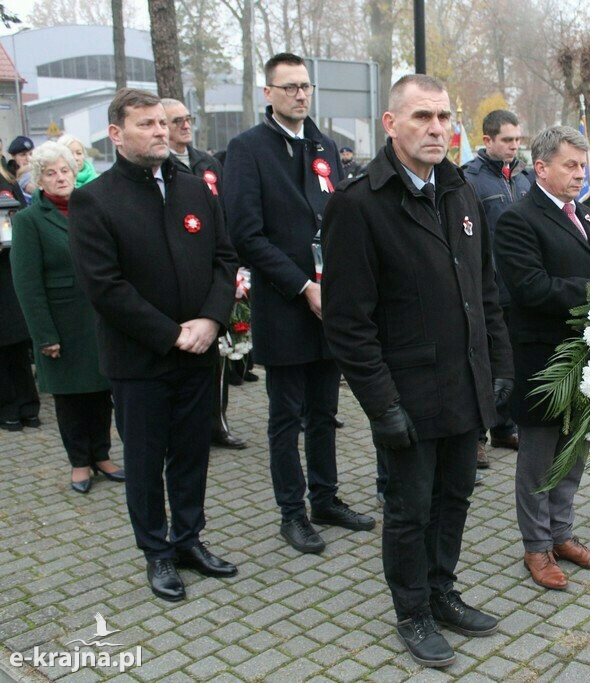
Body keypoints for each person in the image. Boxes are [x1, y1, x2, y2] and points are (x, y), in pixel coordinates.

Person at [322, 74, 513, 669]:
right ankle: (412, 611)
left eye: (443, 118)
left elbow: (485, 292)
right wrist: (381, 406)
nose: (435, 129)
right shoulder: (358, 205)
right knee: (410, 508)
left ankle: (441, 589)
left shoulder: (458, 191)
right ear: (391, 124)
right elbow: (348, 323)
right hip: (407, 394)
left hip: (464, 388)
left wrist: (500, 367)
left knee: (456, 495)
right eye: (421, 117)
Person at [68, 88, 239, 601]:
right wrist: (171, 334)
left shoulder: (196, 191)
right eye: (146, 124)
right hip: (139, 360)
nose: (161, 131)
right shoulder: (94, 199)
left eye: (163, 123)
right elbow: (105, 287)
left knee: (191, 453)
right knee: (144, 461)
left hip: (199, 354)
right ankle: (157, 552)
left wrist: (210, 320)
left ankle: (188, 539)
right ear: (117, 134)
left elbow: (224, 259)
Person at [225, 52, 375, 555]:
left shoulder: (325, 145)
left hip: (327, 303)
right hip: (286, 304)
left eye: (305, 86)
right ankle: (292, 512)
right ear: (268, 93)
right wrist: (301, 286)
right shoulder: (247, 149)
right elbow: (246, 233)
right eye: (288, 87)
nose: (300, 94)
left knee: (325, 412)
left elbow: (335, 220)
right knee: (286, 416)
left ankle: (326, 498)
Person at [495, 125, 590, 592]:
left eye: (583, 165)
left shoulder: (585, 216)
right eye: (570, 165)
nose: (579, 173)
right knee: (539, 458)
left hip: (587, 360)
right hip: (542, 360)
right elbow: (530, 288)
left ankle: (563, 535)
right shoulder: (517, 219)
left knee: (574, 451)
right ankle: (536, 546)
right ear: (541, 167)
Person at [10, 142, 121, 493]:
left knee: (102, 391)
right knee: (71, 397)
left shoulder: (93, 210)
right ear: (39, 180)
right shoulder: (29, 220)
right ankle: (79, 463)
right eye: (51, 173)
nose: (60, 178)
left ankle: (102, 454)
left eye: (65, 171)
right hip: (62, 324)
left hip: (99, 320)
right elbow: (27, 284)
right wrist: (45, 335)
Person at [162, 97, 246, 451]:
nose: (185, 124)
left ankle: (217, 422)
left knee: (220, 357)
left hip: (216, 267)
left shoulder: (206, 162)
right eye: (176, 120)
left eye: (188, 118)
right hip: (179, 276)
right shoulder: (159, 167)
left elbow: (224, 213)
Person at [463, 108, 529, 462]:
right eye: (507, 140)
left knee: (511, 362)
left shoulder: (523, 178)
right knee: (483, 364)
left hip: (519, 288)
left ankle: (505, 428)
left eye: (518, 140)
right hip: (486, 289)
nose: (514, 147)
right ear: (487, 140)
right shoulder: (469, 180)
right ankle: (476, 437)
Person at [0, 154, 38, 431]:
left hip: (8, 269)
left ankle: (28, 405)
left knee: (16, 341)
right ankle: (8, 408)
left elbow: (19, 216)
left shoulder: (7, 179)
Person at [8, 136, 36, 203]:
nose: (28, 158)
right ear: (13, 156)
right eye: (23, 155)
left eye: (31, 154)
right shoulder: (8, 175)